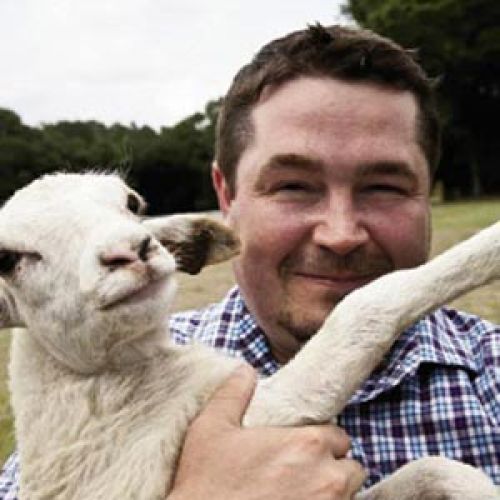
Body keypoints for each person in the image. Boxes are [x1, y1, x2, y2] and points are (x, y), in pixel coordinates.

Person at [1, 24, 499, 500]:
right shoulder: (87, 398)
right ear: (226, 196)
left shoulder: (490, 371)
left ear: (428, 192)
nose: (340, 234)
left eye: (384, 187)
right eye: (292, 186)